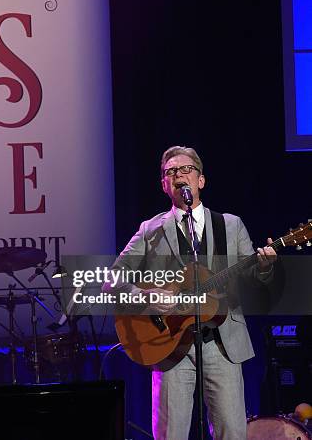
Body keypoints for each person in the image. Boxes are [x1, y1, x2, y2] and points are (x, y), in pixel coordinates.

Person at [106, 146, 277, 440]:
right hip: (168, 345)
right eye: (170, 172)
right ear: (164, 184)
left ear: (200, 180)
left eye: (186, 169)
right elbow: (112, 280)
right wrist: (147, 296)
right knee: (170, 434)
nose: (178, 175)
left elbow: (253, 284)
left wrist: (263, 267)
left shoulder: (230, 225)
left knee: (231, 433)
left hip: (223, 343)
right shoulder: (150, 230)